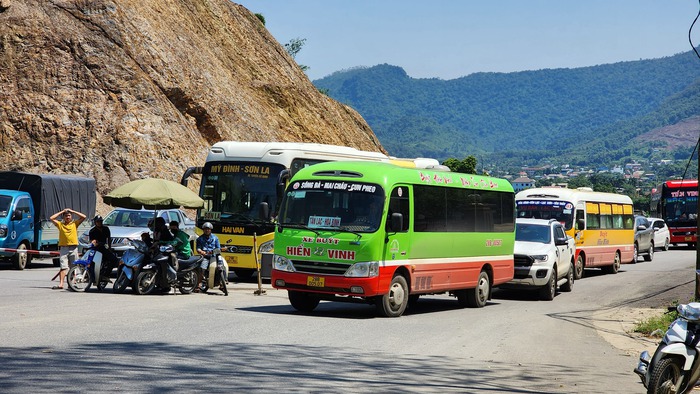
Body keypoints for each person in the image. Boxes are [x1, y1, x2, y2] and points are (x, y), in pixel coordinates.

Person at [49, 208, 86, 289]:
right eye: (66, 216)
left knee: (73, 267)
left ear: (71, 217)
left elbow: (84, 217)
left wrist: (73, 211)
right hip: (64, 248)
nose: (68, 217)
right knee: (63, 267)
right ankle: (61, 284)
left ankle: (71, 283)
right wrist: (62, 211)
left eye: (69, 215)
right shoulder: (60, 225)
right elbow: (51, 218)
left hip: (73, 248)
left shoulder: (75, 224)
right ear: (63, 217)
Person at [194, 222, 221, 292]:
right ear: (203, 230)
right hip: (205, 256)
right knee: (202, 268)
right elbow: (198, 248)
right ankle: (199, 283)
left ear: (211, 230)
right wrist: (201, 251)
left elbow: (218, 249)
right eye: (205, 229)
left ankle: (222, 284)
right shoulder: (199, 239)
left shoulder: (215, 238)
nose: (207, 230)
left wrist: (213, 252)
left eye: (208, 229)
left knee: (221, 267)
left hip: (214, 256)